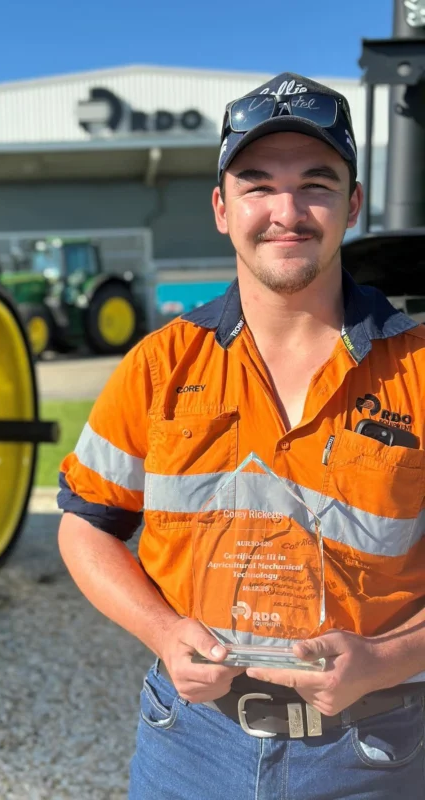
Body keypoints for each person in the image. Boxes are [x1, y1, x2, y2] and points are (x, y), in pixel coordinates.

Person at [56, 71, 425, 799]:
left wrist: (386, 658)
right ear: (223, 209)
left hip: (376, 752)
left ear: (352, 205)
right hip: (187, 747)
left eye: (316, 184)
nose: (286, 211)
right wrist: (163, 632)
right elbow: (85, 526)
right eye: (257, 185)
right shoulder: (159, 366)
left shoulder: (418, 368)